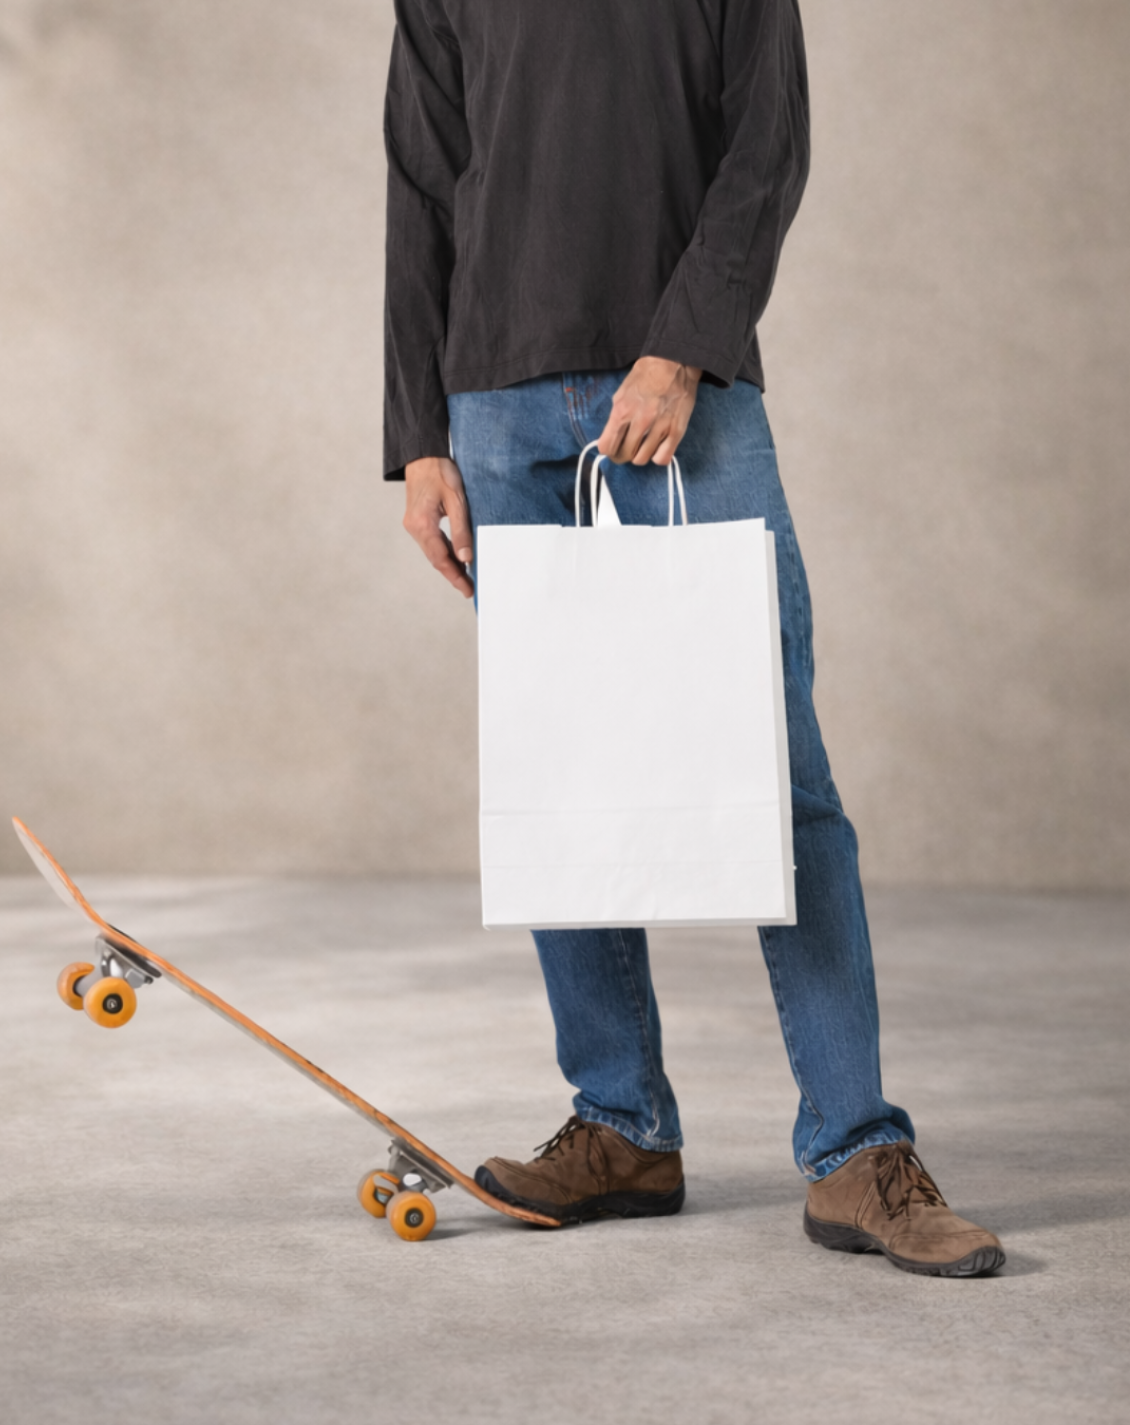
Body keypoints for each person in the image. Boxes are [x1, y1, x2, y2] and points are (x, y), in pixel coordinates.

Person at [382, 0, 1004, 1277]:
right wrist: (420, 436)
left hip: (682, 399)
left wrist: (682, 351)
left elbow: (766, 142)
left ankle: (854, 1152)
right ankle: (621, 1127)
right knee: (563, 778)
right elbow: (421, 176)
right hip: (494, 405)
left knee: (779, 776)